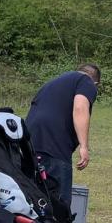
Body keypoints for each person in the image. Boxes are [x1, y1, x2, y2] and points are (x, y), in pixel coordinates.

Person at [25, 63, 100, 205]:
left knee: (33, 196)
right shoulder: (86, 81)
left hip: (28, 141)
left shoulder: (53, 83)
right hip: (54, 143)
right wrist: (84, 146)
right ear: (96, 84)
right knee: (59, 202)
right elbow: (80, 108)